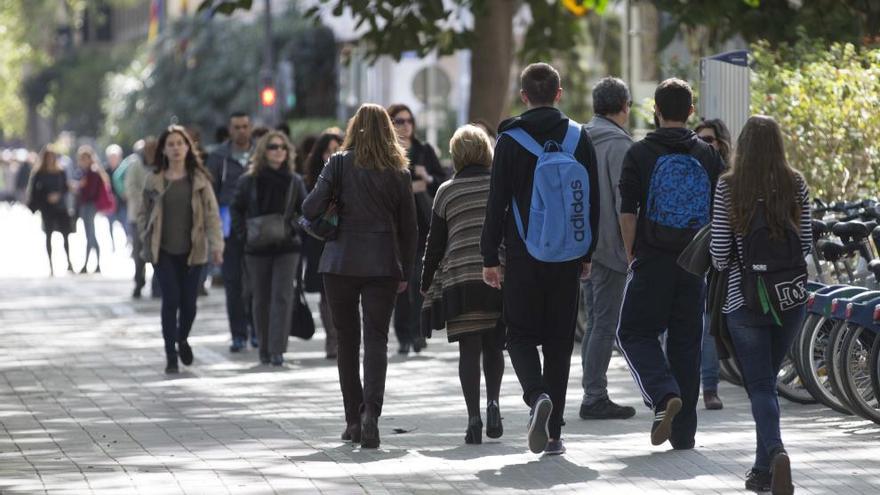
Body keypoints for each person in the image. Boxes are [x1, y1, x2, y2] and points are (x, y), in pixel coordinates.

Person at [481, 63, 599, 456]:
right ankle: (554, 435)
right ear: (559, 93)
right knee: (560, 342)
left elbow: (496, 202)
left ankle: (536, 397)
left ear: (523, 96)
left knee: (519, 335)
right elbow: (593, 198)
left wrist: (489, 257)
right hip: (567, 255)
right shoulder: (579, 137)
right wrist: (587, 251)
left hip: (523, 255)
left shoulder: (510, 141)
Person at [616, 78, 725, 450]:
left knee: (632, 332)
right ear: (690, 112)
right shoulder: (708, 155)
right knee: (685, 344)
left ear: (656, 111)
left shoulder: (640, 153)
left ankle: (663, 396)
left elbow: (627, 210)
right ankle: (684, 435)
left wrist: (632, 251)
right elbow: (721, 209)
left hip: (653, 256)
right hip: (695, 261)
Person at [302, 103, 418, 449]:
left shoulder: (337, 163)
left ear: (353, 128)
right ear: (388, 131)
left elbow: (309, 208)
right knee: (378, 340)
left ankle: (353, 419)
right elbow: (409, 229)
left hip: (339, 263)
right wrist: (407, 270)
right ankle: (372, 415)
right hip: (382, 264)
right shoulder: (399, 171)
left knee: (347, 343)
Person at [710, 115, 809, 495]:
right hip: (790, 299)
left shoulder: (729, 186)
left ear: (743, 146)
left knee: (761, 386)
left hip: (744, 297)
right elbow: (805, 246)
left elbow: (719, 252)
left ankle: (776, 451)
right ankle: (762, 470)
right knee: (765, 385)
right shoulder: (795, 183)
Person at [421, 124, 505, 445]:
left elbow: (435, 244)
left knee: (469, 349)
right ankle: (494, 403)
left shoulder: (446, 191)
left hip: (459, 280)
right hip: (496, 275)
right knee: (494, 346)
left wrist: (425, 281)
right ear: (486, 152)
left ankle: (473, 418)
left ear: (456, 155)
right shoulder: (499, 186)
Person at [138, 125, 224, 374]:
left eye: (180, 143)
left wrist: (216, 246)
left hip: (193, 251)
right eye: (171, 144)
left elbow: (212, 215)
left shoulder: (199, 180)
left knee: (189, 304)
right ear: (163, 149)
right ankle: (170, 355)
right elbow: (143, 213)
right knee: (171, 300)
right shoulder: (154, 180)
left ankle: (182, 337)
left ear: (188, 147)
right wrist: (145, 236)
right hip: (163, 250)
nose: (176, 148)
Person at [578, 77, 637, 421]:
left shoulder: (579, 138)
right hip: (611, 248)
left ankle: (592, 390)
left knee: (594, 321)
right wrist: (631, 250)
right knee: (604, 322)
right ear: (624, 107)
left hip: (582, 247)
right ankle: (594, 395)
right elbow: (623, 203)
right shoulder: (620, 146)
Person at [231, 131, 307, 366]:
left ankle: (277, 350)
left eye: (283, 148)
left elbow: (306, 211)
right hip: (256, 247)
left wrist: (293, 227)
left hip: (287, 247)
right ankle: (263, 347)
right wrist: (243, 233)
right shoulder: (248, 180)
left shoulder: (294, 180)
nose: (278, 151)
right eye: (273, 147)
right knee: (261, 298)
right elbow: (236, 208)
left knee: (282, 296)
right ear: (264, 150)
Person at [387, 103, 447, 356]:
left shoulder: (423, 150)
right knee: (400, 284)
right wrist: (407, 189)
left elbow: (443, 182)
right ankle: (402, 334)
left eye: (409, 120)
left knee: (421, 281)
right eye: (399, 121)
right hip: (395, 228)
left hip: (423, 225)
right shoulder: (386, 152)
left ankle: (418, 332)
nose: (405, 125)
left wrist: (428, 179)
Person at [206, 112, 254, 352]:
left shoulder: (260, 153)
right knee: (233, 282)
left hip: (256, 227)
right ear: (230, 129)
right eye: (237, 127)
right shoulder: (218, 157)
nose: (241, 131)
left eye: (245, 126)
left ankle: (256, 329)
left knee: (255, 281)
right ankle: (238, 333)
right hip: (227, 228)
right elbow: (209, 194)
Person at [694, 118, 733, 411]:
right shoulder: (692, 166)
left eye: (708, 139)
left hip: (717, 252)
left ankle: (710, 387)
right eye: (699, 139)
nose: (704, 145)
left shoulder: (729, 176)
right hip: (688, 249)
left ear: (721, 142)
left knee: (708, 323)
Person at [302, 131, 344, 359]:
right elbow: (307, 209)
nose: (331, 155)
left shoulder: (350, 174)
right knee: (325, 294)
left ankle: (341, 338)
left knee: (341, 294)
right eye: (328, 151)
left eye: (336, 149)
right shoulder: (312, 179)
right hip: (320, 240)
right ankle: (332, 339)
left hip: (345, 239)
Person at [27, 147, 74, 275]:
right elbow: (34, 192)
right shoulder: (39, 173)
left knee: (65, 235)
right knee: (48, 236)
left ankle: (69, 262)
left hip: (61, 207)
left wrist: (58, 195)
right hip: (47, 208)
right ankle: (51, 266)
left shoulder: (60, 171)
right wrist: (46, 197)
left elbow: (65, 188)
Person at [124, 137, 159, 298]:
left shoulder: (162, 167)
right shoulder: (135, 166)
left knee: (158, 252)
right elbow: (130, 188)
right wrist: (146, 199)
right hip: (138, 217)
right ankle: (139, 282)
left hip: (158, 217)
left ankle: (157, 286)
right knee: (139, 252)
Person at [75, 145, 109, 274]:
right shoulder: (85, 172)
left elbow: (91, 192)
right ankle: (95, 264)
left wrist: (80, 186)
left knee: (90, 235)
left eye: (85, 158)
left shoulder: (93, 173)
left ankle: (89, 264)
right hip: (86, 206)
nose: (82, 161)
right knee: (91, 235)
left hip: (89, 206)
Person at [105, 144, 128, 250]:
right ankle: (112, 245)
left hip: (122, 203)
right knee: (110, 225)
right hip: (110, 204)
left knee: (126, 224)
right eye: (111, 158)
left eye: (115, 157)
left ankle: (129, 242)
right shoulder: (105, 171)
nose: (113, 160)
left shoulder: (124, 169)